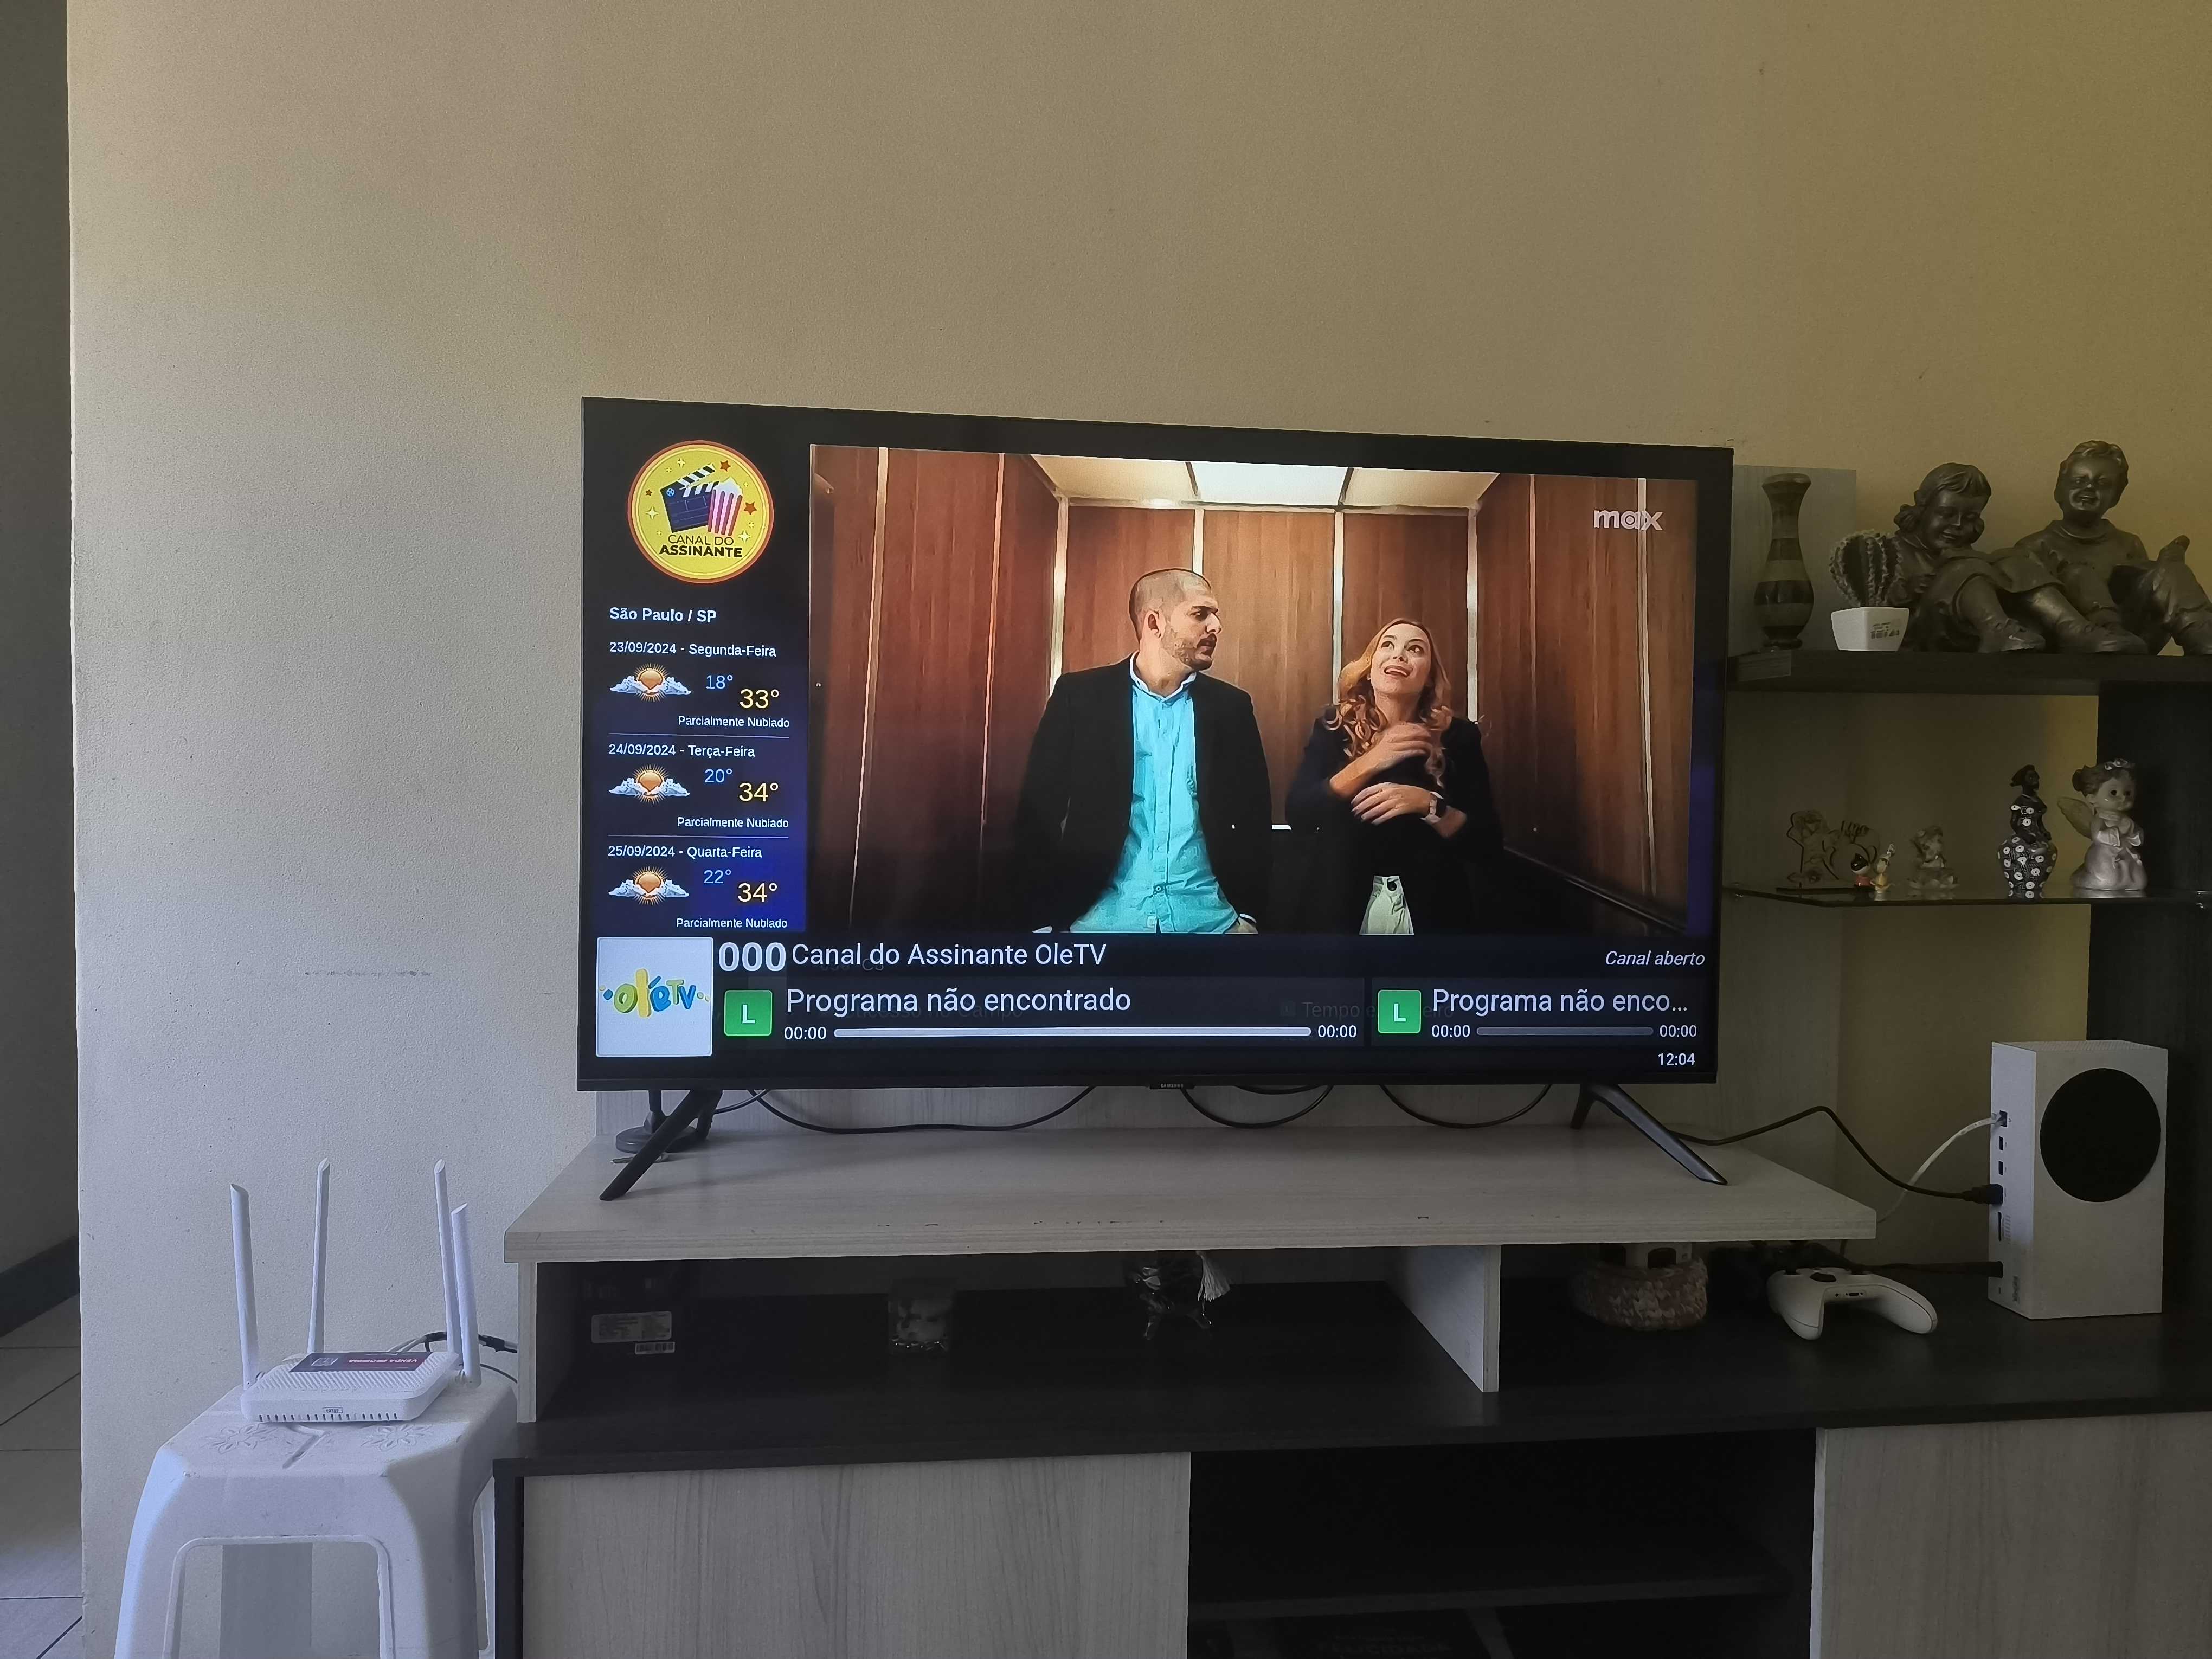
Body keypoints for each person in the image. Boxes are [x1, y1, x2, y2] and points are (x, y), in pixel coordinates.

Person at [1012, 568, 1272, 932]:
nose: (1216, 626)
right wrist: (1042, 923)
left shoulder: (1231, 709)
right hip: (1101, 925)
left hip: (1210, 925)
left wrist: (1249, 916)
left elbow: (1254, 820)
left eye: (1215, 615)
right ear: (1154, 622)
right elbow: (1038, 814)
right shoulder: (1080, 698)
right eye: (1200, 614)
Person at [1284, 618, 1502, 933]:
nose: (1399, 655)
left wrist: (1428, 805)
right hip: (1338, 908)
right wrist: (1373, 760)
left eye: (1415, 649)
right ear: (1370, 668)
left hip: (1432, 911)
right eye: (1388, 645)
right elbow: (1300, 814)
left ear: (1429, 677)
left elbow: (1486, 843)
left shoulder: (1459, 737)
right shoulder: (1333, 726)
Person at [1840, 462, 2142, 653]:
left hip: (1969, 634)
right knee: (1968, 565)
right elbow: (1875, 605)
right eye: (1947, 514)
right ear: (1922, 510)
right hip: (1926, 636)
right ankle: (1998, 630)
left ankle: (2074, 630)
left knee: (2012, 558)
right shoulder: (1888, 552)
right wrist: (1907, 591)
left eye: (1970, 517)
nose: (1958, 525)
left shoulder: (1965, 557)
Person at [2008, 440, 2212, 654]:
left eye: (2103, 484)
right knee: (2078, 573)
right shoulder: (2035, 545)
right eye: (2079, 480)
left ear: (2116, 497)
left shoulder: (2128, 543)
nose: (2089, 488)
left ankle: (2198, 630)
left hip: (2129, 637)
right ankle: (2104, 629)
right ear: (2059, 490)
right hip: (2071, 641)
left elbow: (2144, 603)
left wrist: (2165, 570)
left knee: (2170, 570)